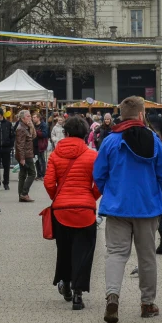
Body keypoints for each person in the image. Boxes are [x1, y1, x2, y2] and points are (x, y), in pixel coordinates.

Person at [93, 96, 162, 323]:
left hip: (117, 207)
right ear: (141, 114)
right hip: (147, 207)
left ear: (121, 115)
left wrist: (112, 192)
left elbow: (99, 174)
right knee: (147, 256)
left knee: (116, 254)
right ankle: (147, 303)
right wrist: (154, 191)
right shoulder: (153, 140)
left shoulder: (110, 140)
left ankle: (112, 296)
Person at [45, 115, 101, 311]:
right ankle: (78, 294)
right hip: (85, 210)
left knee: (64, 250)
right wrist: (91, 197)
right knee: (83, 252)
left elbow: (48, 182)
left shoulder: (55, 155)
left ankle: (66, 285)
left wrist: (57, 197)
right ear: (85, 134)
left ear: (66, 133)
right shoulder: (92, 155)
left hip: (61, 210)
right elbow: (99, 182)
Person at [14, 110, 37, 203]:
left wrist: (32, 126)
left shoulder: (26, 127)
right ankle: (24, 193)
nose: (30, 118)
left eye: (30, 116)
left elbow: (33, 136)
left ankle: (21, 195)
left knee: (23, 175)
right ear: (23, 118)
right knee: (32, 173)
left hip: (26, 153)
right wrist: (22, 158)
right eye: (28, 116)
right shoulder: (21, 129)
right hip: (26, 155)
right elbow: (20, 145)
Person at [33, 112, 50, 180]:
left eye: (34, 117)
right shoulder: (33, 125)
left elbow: (45, 134)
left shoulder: (43, 125)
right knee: (36, 160)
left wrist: (36, 132)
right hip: (34, 145)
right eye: (33, 117)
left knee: (41, 160)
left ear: (38, 118)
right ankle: (39, 174)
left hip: (41, 145)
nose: (33, 119)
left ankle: (43, 175)